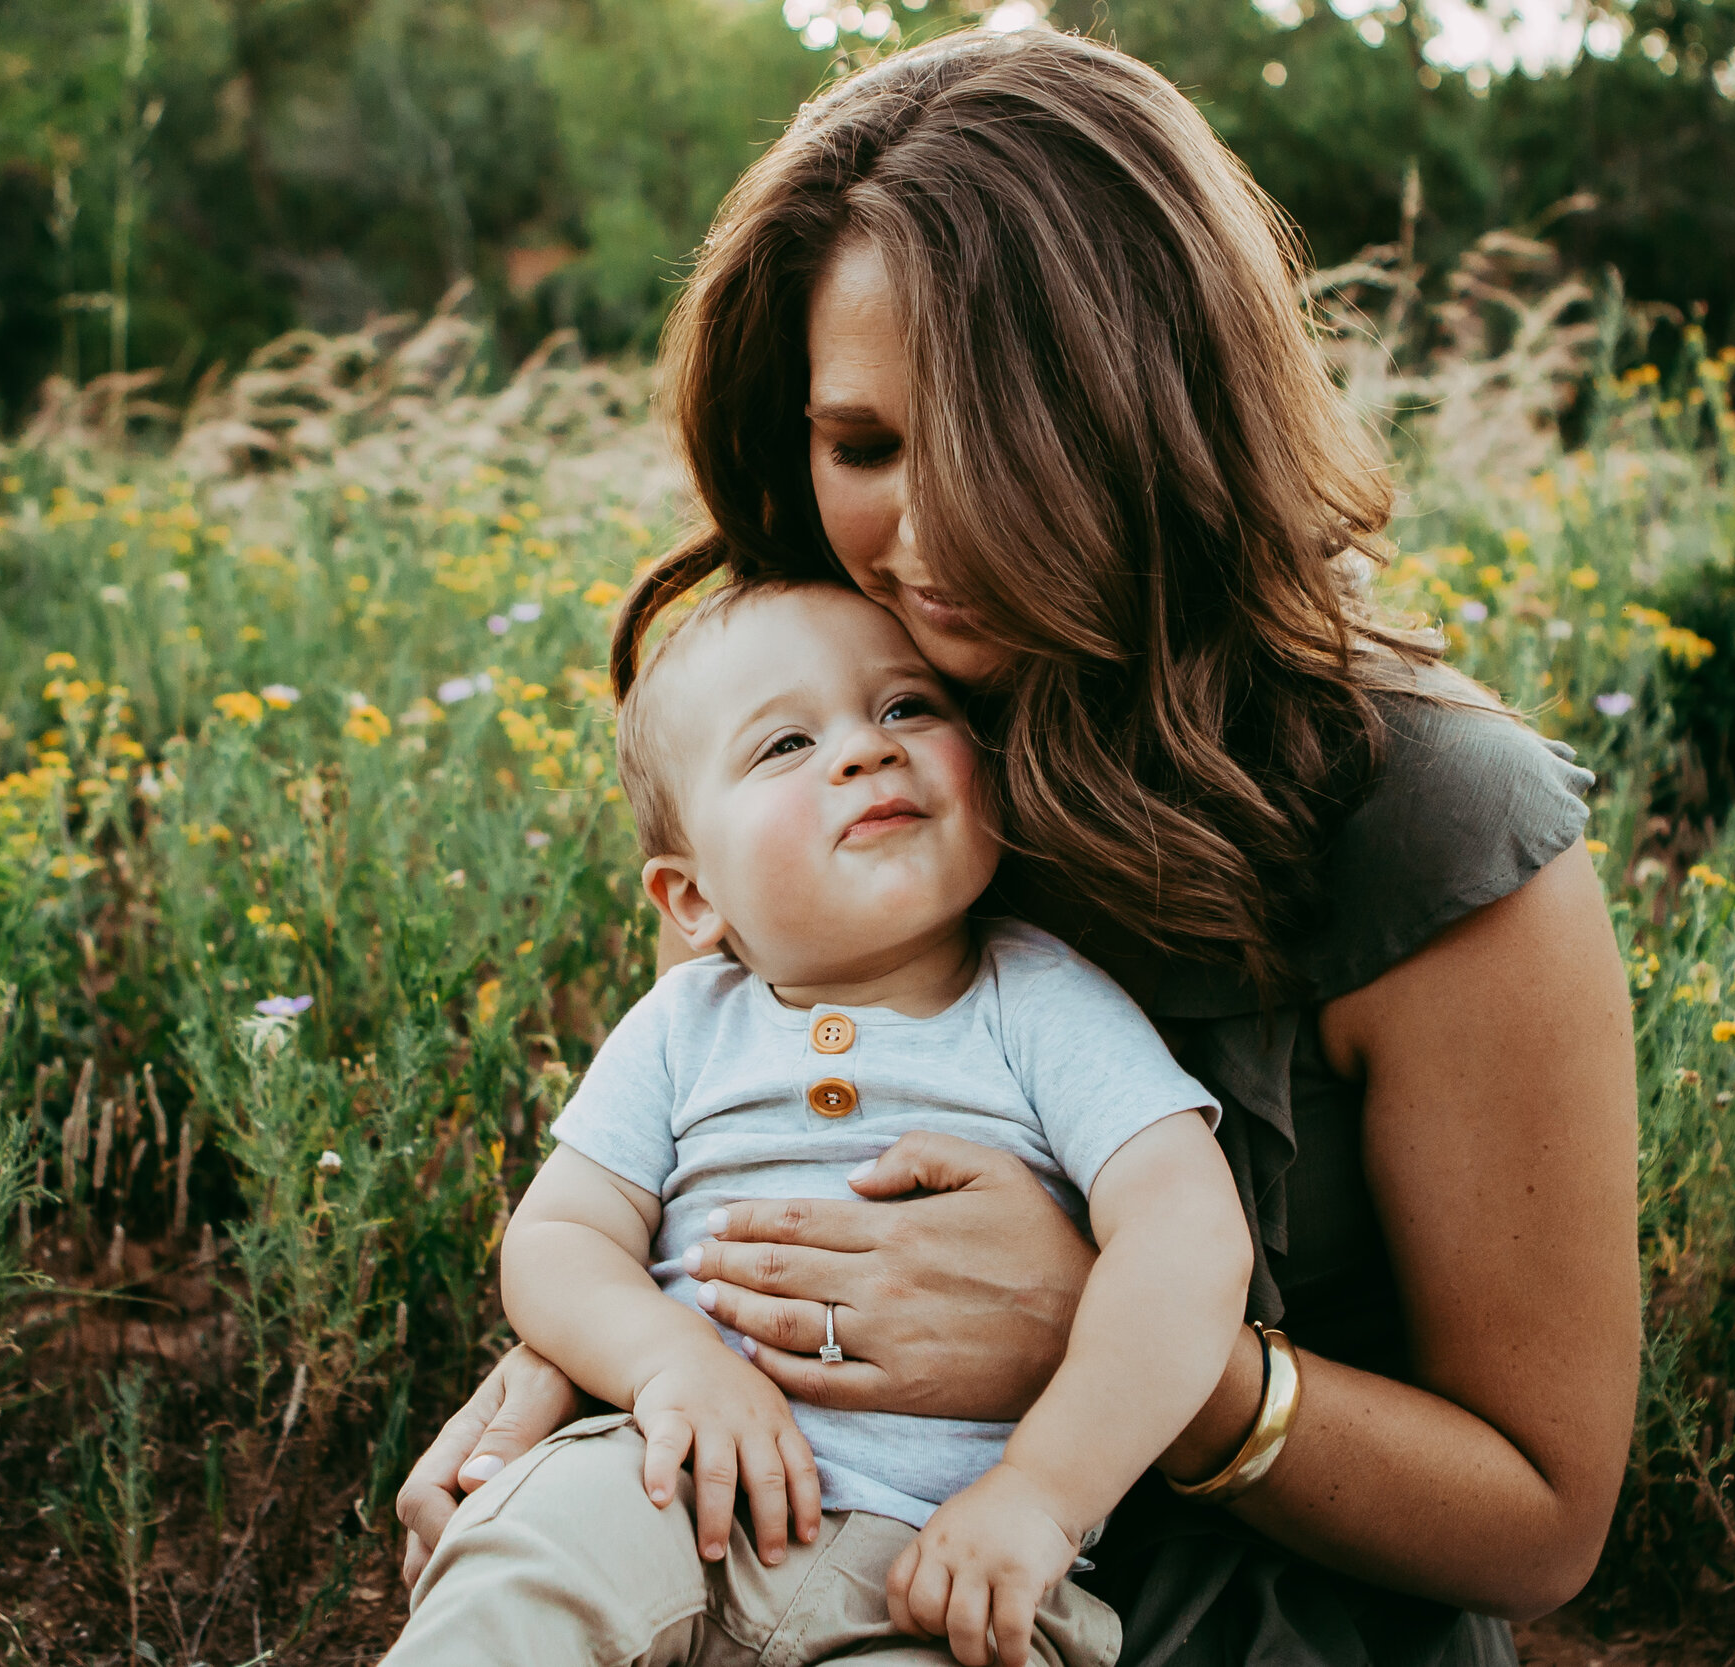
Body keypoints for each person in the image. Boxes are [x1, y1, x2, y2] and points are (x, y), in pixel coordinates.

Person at [395, 27, 1641, 1667]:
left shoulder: (1428, 817)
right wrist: (570, 1377)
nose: (922, 536)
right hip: (765, 1536)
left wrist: (1124, 1349)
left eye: (1000, 436)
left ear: (1161, 411)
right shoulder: (850, 741)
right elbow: (729, 1139)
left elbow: (1542, 1520)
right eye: (862, 445)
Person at [389, 578, 1247, 1667]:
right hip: (661, 1486)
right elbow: (559, 1236)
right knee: (521, 1569)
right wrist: (669, 1364)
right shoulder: (684, 1023)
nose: (863, 751)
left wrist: (1041, 1492)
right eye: (786, 742)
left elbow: (1187, 1236)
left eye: (907, 708)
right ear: (692, 897)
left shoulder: (1042, 1003)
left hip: (936, 1560)